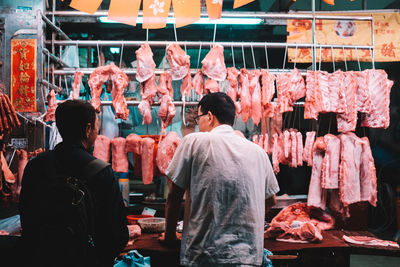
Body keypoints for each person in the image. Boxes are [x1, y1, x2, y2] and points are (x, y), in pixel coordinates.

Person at [160, 92, 279, 266]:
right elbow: (271, 201)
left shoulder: (193, 142)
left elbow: (174, 196)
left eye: (199, 117)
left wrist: (170, 236)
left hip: (205, 256)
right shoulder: (258, 152)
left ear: (209, 116)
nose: (198, 124)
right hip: (248, 257)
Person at [19, 100, 129, 267]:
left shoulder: (35, 165)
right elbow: (117, 234)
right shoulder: (102, 172)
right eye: (95, 128)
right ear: (87, 129)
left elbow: (26, 216)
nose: (96, 132)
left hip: (41, 258)